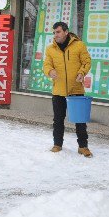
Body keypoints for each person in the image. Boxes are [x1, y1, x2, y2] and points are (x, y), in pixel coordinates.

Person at [43, 21, 93, 158]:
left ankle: (83, 147)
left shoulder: (79, 45)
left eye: (58, 32)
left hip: (75, 89)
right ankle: (57, 144)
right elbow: (46, 64)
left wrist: (82, 73)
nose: (56, 35)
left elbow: (87, 61)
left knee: (80, 120)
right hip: (58, 90)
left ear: (66, 32)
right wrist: (50, 71)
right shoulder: (50, 49)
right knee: (58, 119)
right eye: (54, 32)